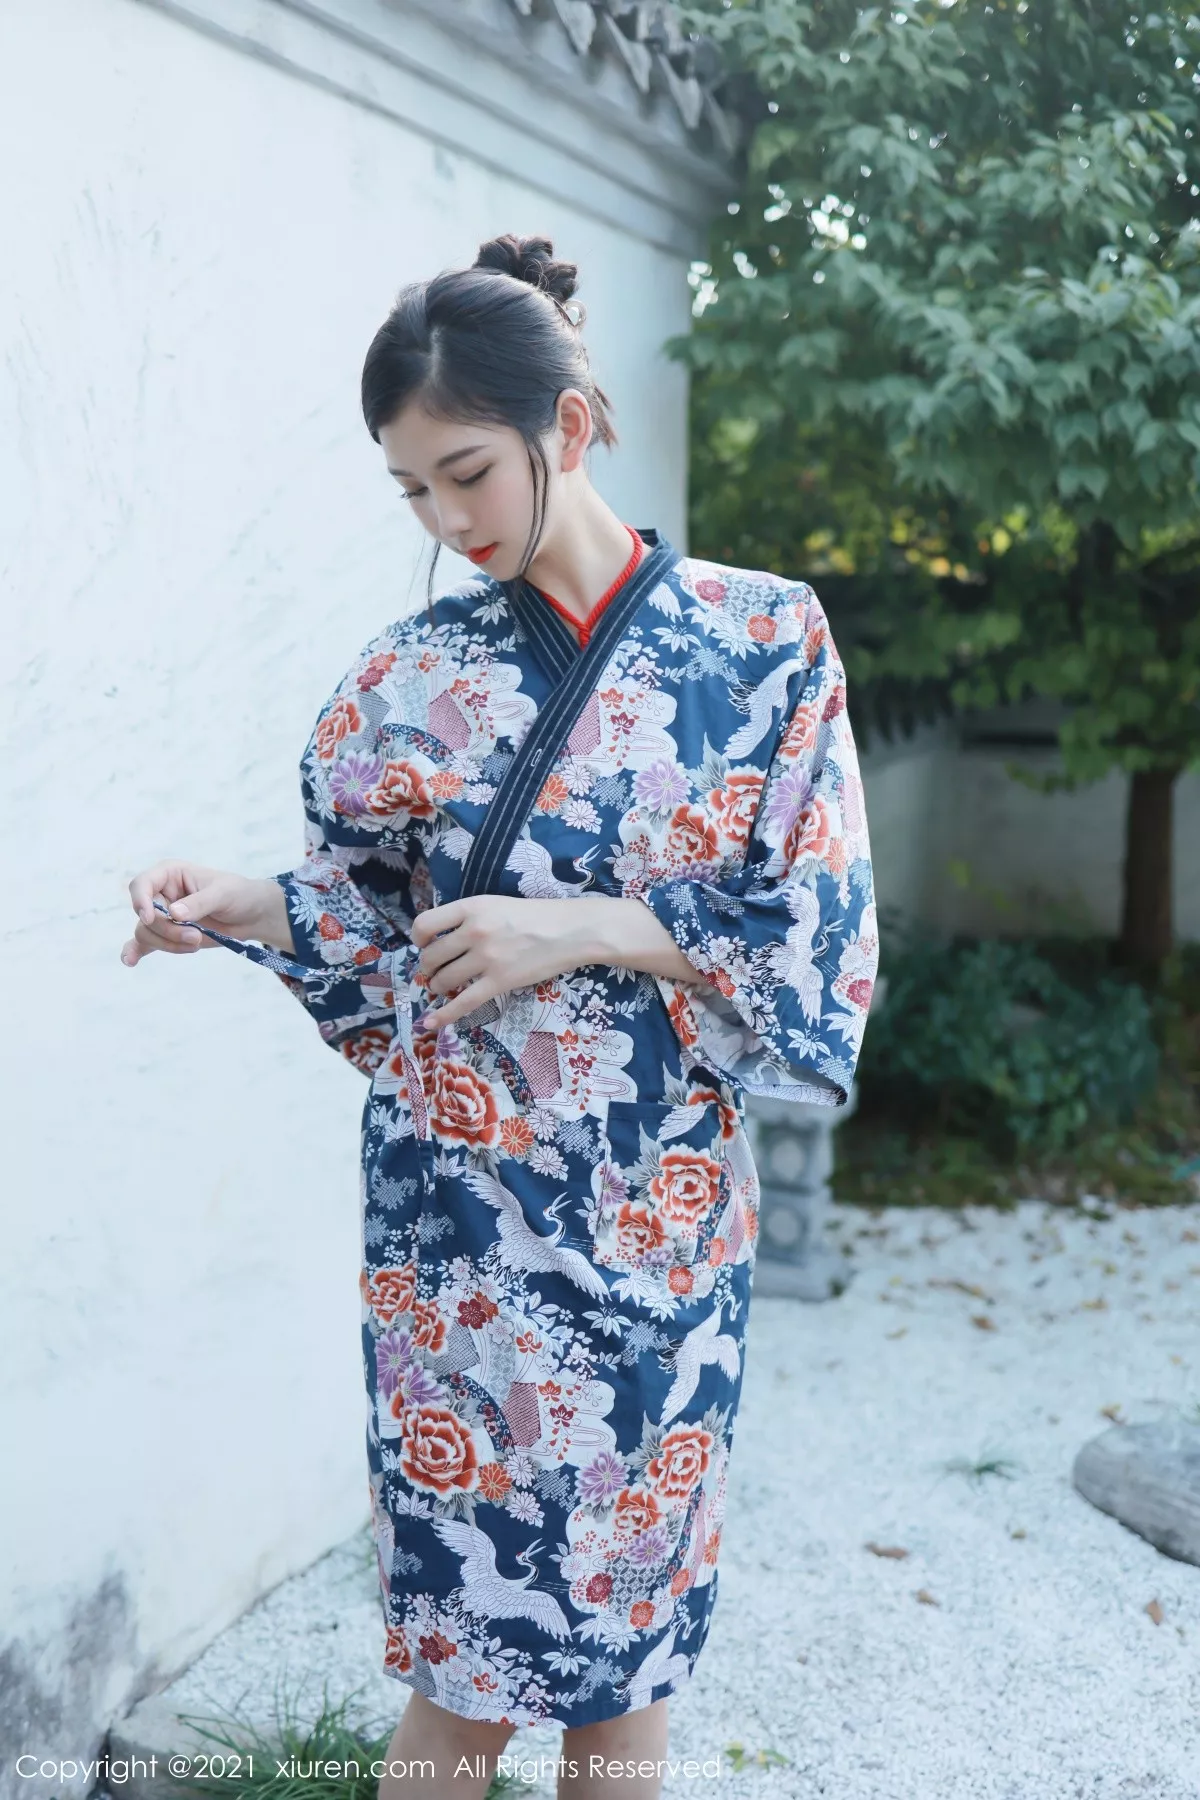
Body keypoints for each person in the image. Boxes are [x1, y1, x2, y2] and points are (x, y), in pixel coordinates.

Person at [121, 233, 879, 1800]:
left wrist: (588, 927)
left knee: (627, 1683)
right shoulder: (404, 682)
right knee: (462, 1683)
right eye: (411, 490)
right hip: (458, 1229)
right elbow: (366, 915)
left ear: (570, 426)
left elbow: (814, 930)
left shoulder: (766, 643)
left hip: (662, 1219)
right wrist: (238, 901)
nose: (446, 521)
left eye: (466, 473)